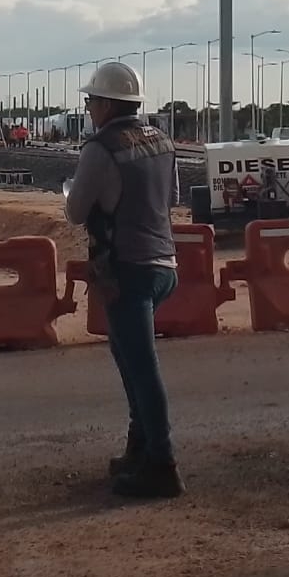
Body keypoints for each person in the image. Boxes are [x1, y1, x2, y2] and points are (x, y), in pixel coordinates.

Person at [63, 60, 183, 499]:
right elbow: (169, 199)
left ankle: (162, 463)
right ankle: (141, 447)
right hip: (164, 266)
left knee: (142, 369)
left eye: (92, 99)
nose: (90, 106)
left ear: (109, 103)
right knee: (129, 357)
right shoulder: (162, 141)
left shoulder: (102, 148)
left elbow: (76, 212)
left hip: (128, 270)